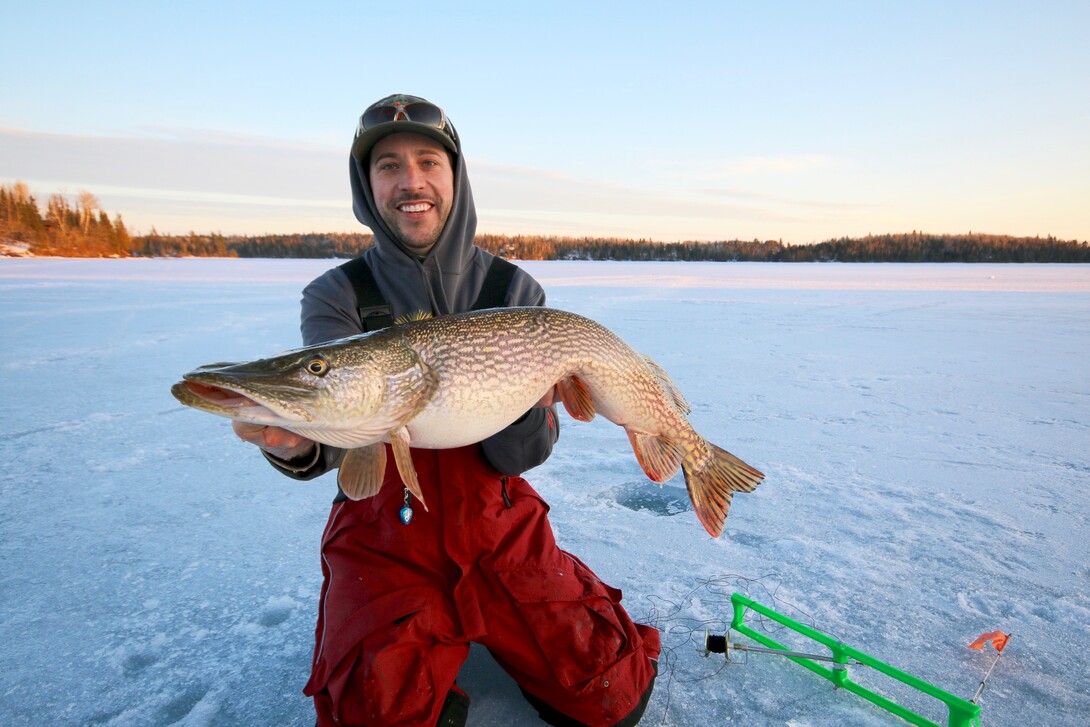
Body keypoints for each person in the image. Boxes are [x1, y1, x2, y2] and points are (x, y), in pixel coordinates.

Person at [233, 94, 660, 727]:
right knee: (374, 711)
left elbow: (525, 455)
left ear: (454, 176)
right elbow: (337, 418)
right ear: (366, 185)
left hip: (498, 525)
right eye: (388, 166)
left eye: (429, 161)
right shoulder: (337, 294)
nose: (411, 181)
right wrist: (294, 444)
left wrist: (528, 407)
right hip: (385, 537)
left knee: (608, 696)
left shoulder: (513, 291)